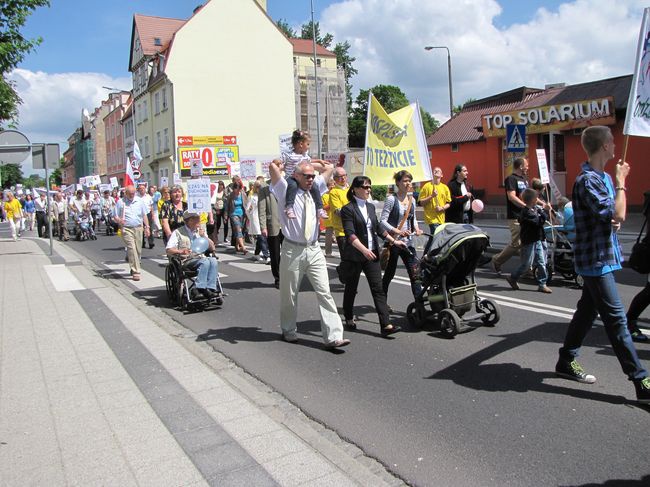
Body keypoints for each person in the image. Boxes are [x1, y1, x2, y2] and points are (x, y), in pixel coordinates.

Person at [555, 125, 649, 404]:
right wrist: (622, 182)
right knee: (617, 321)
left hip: (605, 254)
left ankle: (565, 360)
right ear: (603, 147)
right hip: (595, 260)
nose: (616, 145)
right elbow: (618, 211)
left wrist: (616, 195)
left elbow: (616, 219)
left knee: (586, 312)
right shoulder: (588, 181)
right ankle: (641, 379)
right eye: (611, 141)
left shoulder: (603, 177)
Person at [269, 158, 350, 349]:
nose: (311, 179)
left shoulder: (315, 188)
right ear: (296, 176)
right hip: (292, 248)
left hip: (314, 249)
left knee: (325, 292)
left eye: (312, 176)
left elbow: (330, 168)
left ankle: (334, 336)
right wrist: (280, 164)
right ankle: (288, 330)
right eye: (306, 176)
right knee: (289, 294)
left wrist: (313, 163)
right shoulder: (284, 188)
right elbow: (273, 169)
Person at [340, 176, 400, 336]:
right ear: (355, 189)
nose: (368, 190)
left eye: (370, 187)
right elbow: (350, 234)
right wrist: (363, 250)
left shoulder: (371, 207)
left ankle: (386, 325)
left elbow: (378, 228)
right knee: (351, 288)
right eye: (365, 187)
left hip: (372, 253)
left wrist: (393, 240)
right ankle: (348, 317)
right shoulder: (348, 209)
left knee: (378, 289)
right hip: (355, 255)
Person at [380, 170, 423, 302]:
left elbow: (413, 218)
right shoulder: (391, 199)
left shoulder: (412, 200)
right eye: (404, 180)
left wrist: (416, 228)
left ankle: (419, 305)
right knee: (389, 274)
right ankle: (382, 303)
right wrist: (397, 231)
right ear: (398, 183)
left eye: (409, 180)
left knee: (415, 274)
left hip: (408, 243)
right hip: (394, 242)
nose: (408, 183)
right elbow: (382, 221)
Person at [166, 210, 221, 303]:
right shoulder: (178, 232)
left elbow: (212, 248)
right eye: (197, 219)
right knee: (206, 262)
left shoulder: (199, 232)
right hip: (186, 260)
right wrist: (181, 251)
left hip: (200, 258)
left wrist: (204, 236)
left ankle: (211, 288)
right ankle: (198, 289)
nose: (199, 221)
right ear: (190, 220)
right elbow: (168, 249)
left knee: (213, 261)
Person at [504, 188, 552, 293]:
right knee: (526, 264)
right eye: (537, 198)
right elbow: (539, 222)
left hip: (537, 239)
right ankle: (513, 277)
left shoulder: (535, 209)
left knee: (541, 261)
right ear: (533, 200)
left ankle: (542, 283)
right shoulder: (526, 212)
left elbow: (542, 218)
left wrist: (543, 211)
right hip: (529, 240)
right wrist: (545, 211)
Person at [491, 157, 530, 274]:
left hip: (526, 216)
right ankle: (497, 260)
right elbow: (511, 197)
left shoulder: (524, 179)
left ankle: (527, 268)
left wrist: (542, 204)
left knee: (527, 242)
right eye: (526, 165)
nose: (528, 167)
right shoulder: (510, 179)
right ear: (521, 166)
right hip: (515, 216)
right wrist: (525, 206)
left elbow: (530, 195)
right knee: (516, 243)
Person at [281, 130, 328, 220]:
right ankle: (289, 207)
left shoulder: (305, 155)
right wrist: (277, 162)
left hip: (303, 177)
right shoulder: (289, 154)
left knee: (314, 186)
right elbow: (280, 162)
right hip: (291, 177)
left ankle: (319, 209)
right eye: (308, 144)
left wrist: (318, 160)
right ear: (301, 144)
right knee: (293, 186)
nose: (308, 147)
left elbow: (310, 160)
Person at [113, 185, 150, 281]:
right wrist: (119, 220)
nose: (132, 195)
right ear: (125, 193)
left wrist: (147, 227)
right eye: (130, 194)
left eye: (133, 193)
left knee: (138, 250)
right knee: (132, 247)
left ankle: (133, 260)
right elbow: (115, 216)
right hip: (126, 229)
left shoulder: (139, 201)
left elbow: (144, 215)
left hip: (138, 227)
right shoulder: (120, 202)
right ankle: (136, 271)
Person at [418, 167, 451, 255]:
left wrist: (442, 208)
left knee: (435, 238)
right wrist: (431, 196)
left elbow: (449, 203)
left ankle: (428, 256)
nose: (436, 171)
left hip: (441, 218)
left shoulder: (445, 187)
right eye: (434, 170)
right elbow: (420, 203)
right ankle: (428, 256)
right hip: (431, 218)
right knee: (435, 236)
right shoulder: (427, 186)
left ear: (442, 175)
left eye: (438, 170)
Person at [258, 175, 282, 289]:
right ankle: (278, 278)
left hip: (287, 225)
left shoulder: (285, 184)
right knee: (275, 253)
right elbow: (261, 208)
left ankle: (288, 277)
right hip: (273, 224)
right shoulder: (264, 187)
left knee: (290, 254)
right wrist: (263, 227)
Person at [246, 180, 269, 262]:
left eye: (261, 186)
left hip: (263, 219)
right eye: (258, 187)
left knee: (261, 238)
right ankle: (266, 256)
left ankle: (256, 254)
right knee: (262, 237)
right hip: (256, 219)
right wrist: (251, 217)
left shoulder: (264, 196)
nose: (260, 188)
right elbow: (247, 209)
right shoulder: (252, 197)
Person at [328, 167, 349, 253]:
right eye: (340, 176)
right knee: (346, 259)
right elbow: (338, 211)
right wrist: (354, 213)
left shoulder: (351, 189)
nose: (343, 178)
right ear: (335, 178)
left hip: (354, 230)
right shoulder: (334, 192)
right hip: (342, 232)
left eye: (344, 175)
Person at [226, 182, 248, 255]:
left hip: (242, 214)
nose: (238, 191)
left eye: (239, 189)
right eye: (237, 189)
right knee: (238, 230)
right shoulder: (230, 195)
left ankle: (237, 246)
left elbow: (246, 203)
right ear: (234, 188)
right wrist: (226, 215)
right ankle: (243, 247)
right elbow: (227, 206)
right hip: (233, 214)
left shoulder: (243, 194)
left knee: (239, 230)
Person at [137, 183, 155, 249]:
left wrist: (153, 215)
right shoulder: (136, 197)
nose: (142, 190)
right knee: (140, 229)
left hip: (148, 214)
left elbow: (151, 206)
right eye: (140, 189)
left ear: (145, 189)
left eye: (143, 188)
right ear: (138, 190)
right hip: (139, 214)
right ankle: (142, 242)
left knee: (149, 228)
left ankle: (151, 242)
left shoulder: (148, 197)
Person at [322, 179, 336, 256]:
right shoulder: (325, 196)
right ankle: (328, 252)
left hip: (337, 219)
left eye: (334, 186)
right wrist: (332, 202)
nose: (333, 188)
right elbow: (324, 207)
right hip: (329, 220)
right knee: (328, 238)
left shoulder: (336, 194)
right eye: (331, 187)